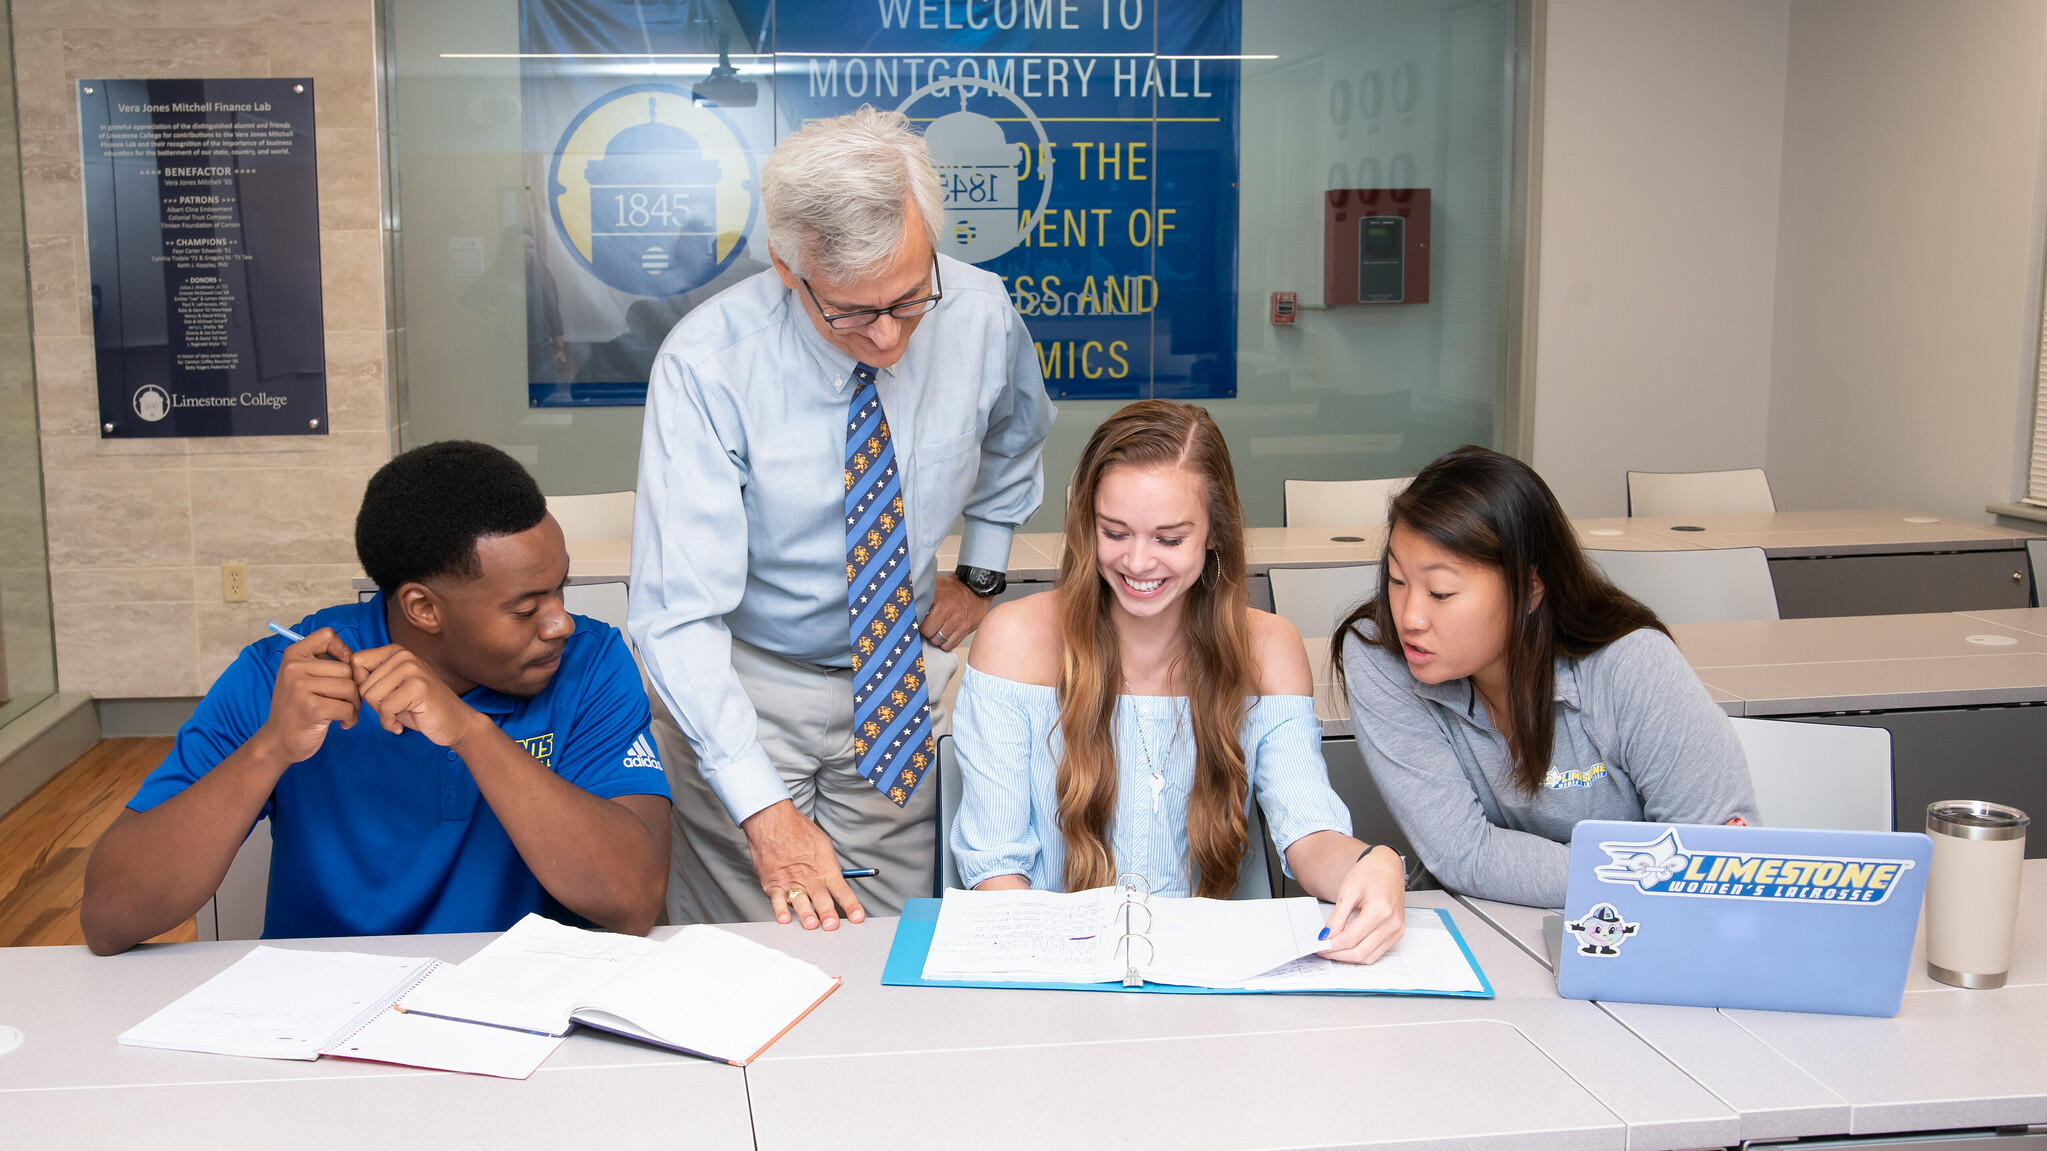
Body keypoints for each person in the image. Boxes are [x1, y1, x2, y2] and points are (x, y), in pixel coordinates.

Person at [631, 106, 1056, 931]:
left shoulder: (980, 313)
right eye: (854, 314)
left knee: (897, 938)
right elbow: (677, 615)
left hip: (898, 675)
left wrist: (981, 570)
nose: (891, 337)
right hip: (749, 684)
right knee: (753, 948)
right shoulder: (707, 363)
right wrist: (761, 809)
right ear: (787, 270)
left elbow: (1016, 438)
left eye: (908, 299)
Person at [81, 442, 672, 955]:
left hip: (522, 1006)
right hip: (323, 1021)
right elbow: (110, 918)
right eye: (526, 608)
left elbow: (632, 900)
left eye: (560, 591)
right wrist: (270, 750)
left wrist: (470, 733)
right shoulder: (284, 676)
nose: (560, 624)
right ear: (423, 608)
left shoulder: (588, 665)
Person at [951, 401, 1406, 963]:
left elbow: (1308, 833)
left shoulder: (1268, 649)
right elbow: (996, 868)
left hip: (1216, 985)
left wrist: (1372, 864)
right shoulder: (1014, 641)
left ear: (1214, 533)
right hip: (1054, 973)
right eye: (1114, 532)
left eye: (1169, 539)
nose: (1138, 562)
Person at [1335, 445, 1758, 908]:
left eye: (1441, 592)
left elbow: (1715, 862)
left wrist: (1629, 878)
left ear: (1530, 588)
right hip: (1475, 933)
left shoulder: (1632, 664)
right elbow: (1462, 852)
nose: (1410, 616)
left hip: (1632, 935)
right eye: (1396, 581)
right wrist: (1641, 869)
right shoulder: (1378, 653)